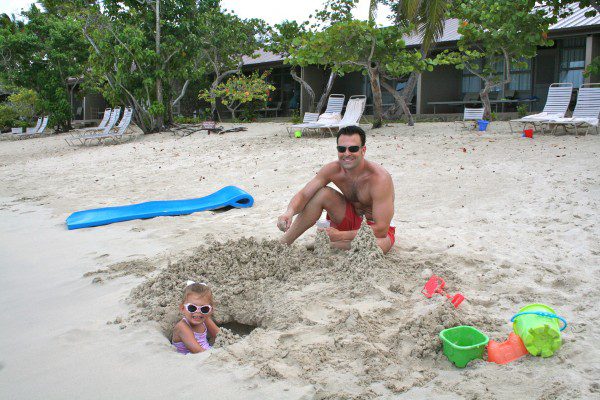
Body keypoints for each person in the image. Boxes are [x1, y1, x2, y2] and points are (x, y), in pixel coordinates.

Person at [277, 125, 395, 254]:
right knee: (322, 193)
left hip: (374, 230)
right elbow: (305, 194)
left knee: (380, 245)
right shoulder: (333, 169)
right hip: (350, 218)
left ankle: (333, 244)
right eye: (342, 149)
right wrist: (289, 212)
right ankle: (283, 242)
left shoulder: (379, 179)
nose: (347, 153)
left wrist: (340, 235)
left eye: (353, 149)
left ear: (363, 150)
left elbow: (382, 229)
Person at [172, 281, 220, 354]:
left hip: (207, 353)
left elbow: (219, 335)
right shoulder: (182, 327)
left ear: (210, 310)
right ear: (182, 308)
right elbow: (197, 351)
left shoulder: (204, 318)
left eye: (204, 309)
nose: (198, 312)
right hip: (193, 360)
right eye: (192, 308)